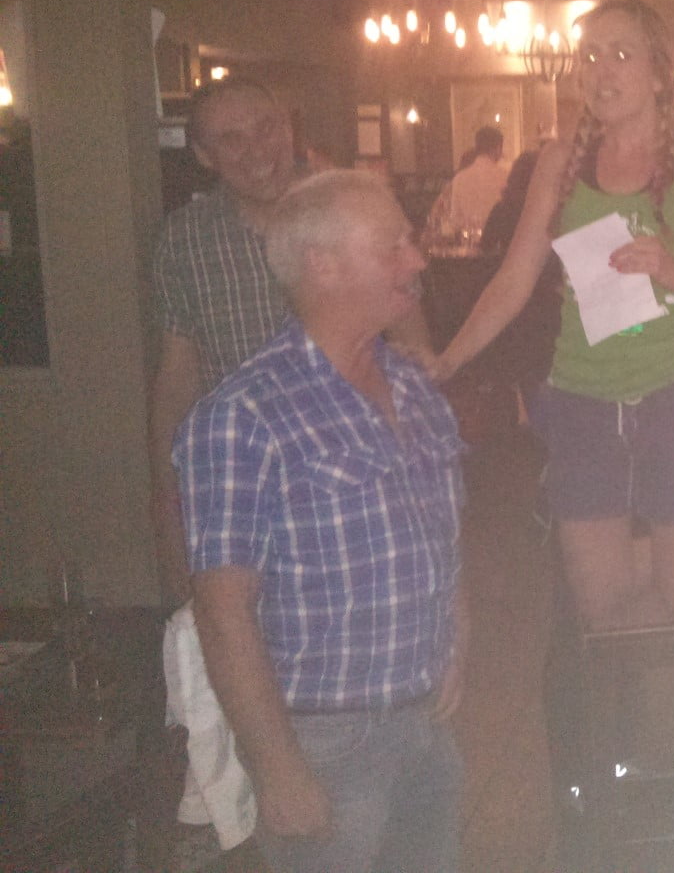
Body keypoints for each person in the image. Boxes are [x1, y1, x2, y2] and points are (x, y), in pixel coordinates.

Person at [435, 0, 674, 629]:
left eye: (620, 54)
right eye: (588, 57)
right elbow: (514, 278)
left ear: (658, 73)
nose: (601, 71)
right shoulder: (560, 165)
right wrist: (448, 359)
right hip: (584, 395)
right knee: (600, 604)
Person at [177, 170, 468, 873]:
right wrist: (276, 766)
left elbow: (445, 534)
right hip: (325, 742)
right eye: (393, 245)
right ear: (324, 266)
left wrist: (459, 636)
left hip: (427, 720)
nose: (417, 260)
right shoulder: (245, 415)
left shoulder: (414, 386)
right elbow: (223, 611)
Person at [149, 78, 296, 611]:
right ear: (204, 155)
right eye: (231, 139)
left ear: (288, 124)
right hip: (240, 492)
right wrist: (171, 537)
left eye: (266, 127)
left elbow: (411, 346)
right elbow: (176, 391)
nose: (257, 150)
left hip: (347, 484)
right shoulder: (184, 240)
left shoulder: (349, 213)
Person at [426, 124, 508, 242]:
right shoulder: (505, 176)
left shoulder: (460, 178)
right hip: (498, 242)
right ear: (498, 148)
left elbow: (455, 220)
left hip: (469, 242)